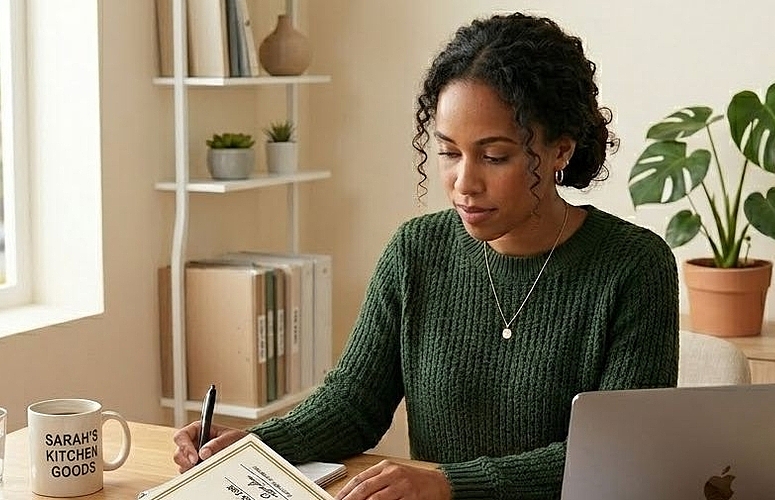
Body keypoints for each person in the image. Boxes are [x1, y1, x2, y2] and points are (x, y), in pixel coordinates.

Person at [173, 12, 679, 499]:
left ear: (559, 151)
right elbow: (353, 405)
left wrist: (449, 485)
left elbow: (618, 455)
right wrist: (253, 444)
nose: (464, 183)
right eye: (449, 152)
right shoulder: (417, 250)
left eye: (493, 156)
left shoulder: (633, 266)